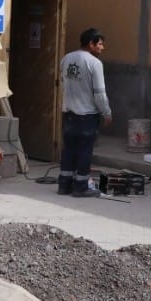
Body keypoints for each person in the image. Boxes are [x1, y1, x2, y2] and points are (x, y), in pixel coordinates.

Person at [58, 27, 113, 198]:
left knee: (69, 150)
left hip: (68, 114)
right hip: (87, 115)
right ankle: (81, 186)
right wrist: (107, 112)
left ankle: (64, 184)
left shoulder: (66, 59)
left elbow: (62, 83)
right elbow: (99, 93)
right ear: (91, 44)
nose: (102, 48)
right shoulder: (94, 63)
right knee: (84, 151)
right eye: (100, 44)